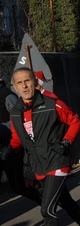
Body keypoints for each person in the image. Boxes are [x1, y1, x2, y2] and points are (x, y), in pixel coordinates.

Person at [1, 67, 80, 226]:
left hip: (57, 160)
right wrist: (9, 150)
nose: (25, 86)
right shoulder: (16, 112)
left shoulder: (52, 104)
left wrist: (66, 142)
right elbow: (19, 138)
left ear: (35, 82)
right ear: (14, 87)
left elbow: (75, 121)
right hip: (39, 165)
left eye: (27, 81)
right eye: (19, 83)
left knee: (47, 210)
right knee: (67, 202)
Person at [0, 74, 42, 206]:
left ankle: (46, 204)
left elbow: (19, 120)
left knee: (17, 186)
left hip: (11, 147)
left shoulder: (6, 95)